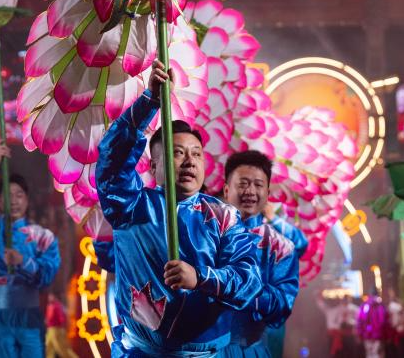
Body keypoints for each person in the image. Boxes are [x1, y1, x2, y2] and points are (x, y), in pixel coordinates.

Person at [95, 60, 262, 356]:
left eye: (196, 154)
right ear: (154, 165)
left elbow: (249, 280)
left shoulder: (223, 216)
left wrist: (200, 278)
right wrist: (150, 102)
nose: (189, 161)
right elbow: (112, 159)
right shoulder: (131, 205)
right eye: (177, 153)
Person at [0, 142, 61, 357]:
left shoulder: (43, 237)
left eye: (19, 195)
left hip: (30, 319)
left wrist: (23, 262)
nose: (14, 201)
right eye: (8, 195)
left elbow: (47, 277)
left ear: (27, 200)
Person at [219, 150, 301, 357]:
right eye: (243, 183)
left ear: (268, 194)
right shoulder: (202, 235)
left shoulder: (281, 247)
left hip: (248, 350)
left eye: (258, 184)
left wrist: (243, 290)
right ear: (227, 190)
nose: (250, 191)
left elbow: (282, 307)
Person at [44, 292, 78, 358]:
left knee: (62, 349)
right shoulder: (53, 306)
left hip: (56, 329)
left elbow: (56, 318)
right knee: (48, 348)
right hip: (51, 329)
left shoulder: (56, 306)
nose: (49, 297)